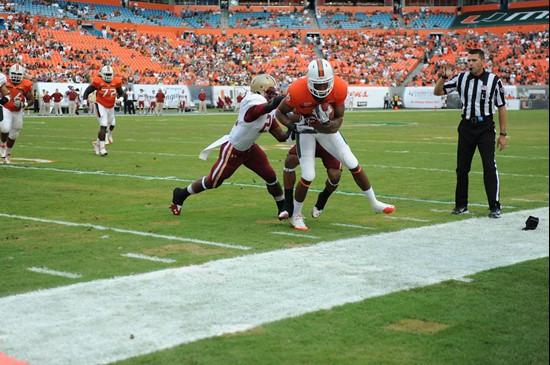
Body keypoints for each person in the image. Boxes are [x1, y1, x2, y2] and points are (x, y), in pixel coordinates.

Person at [275, 59, 395, 231]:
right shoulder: (296, 90)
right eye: (318, 85)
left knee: (352, 162)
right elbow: (280, 112)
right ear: (309, 81)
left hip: (326, 132)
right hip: (306, 132)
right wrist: (293, 126)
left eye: (325, 85)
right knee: (308, 174)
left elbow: (337, 124)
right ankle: (296, 215)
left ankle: (374, 202)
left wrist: (323, 123)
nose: (322, 89)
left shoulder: (339, 87)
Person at [171, 74, 289, 218]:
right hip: (233, 150)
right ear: (259, 91)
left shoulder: (267, 110)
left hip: (250, 149)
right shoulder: (252, 104)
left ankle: (283, 208)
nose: (273, 96)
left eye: (274, 93)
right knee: (213, 182)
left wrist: (295, 129)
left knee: (271, 176)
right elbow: (267, 107)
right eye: (269, 93)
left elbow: (280, 136)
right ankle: (180, 194)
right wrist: (288, 97)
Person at [434, 48, 507, 218]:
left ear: (483, 62)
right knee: (462, 168)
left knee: (489, 166)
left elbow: (502, 106)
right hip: (466, 126)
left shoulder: (494, 80)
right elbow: (438, 92)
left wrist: (503, 134)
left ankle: (494, 206)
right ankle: (461, 205)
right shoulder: (461, 78)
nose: (470, 64)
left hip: (485, 127)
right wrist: (444, 77)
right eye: (468, 60)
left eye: (474, 60)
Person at [279, 140, 342, 220]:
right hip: (308, 140)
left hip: (327, 140)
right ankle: (288, 205)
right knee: (290, 160)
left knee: (335, 176)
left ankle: (323, 199)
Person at [82, 65, 123, 156]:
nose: (108, 76)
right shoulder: (98, 81)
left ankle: (97, 143)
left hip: (111, 106)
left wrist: (120, 100)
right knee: (103, 125)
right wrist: (84, 103)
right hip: (100, 105)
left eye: (110, 74)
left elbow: (122, 93)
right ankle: (102, 149)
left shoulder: (116, 81)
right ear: (102, 74)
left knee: (112, 124)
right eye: (106, 74)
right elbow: (86, 92)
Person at [0, 64, 34, 164]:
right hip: (6, 107)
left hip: (18, 111)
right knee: (5, 128)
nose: (15, 76)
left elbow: (31, 99)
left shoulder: (26, 84)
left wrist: (24, 104)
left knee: (15, 133)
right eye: (14, 74)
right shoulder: (4, 81)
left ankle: (7, 154)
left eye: (18, 74)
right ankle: (2, 146)